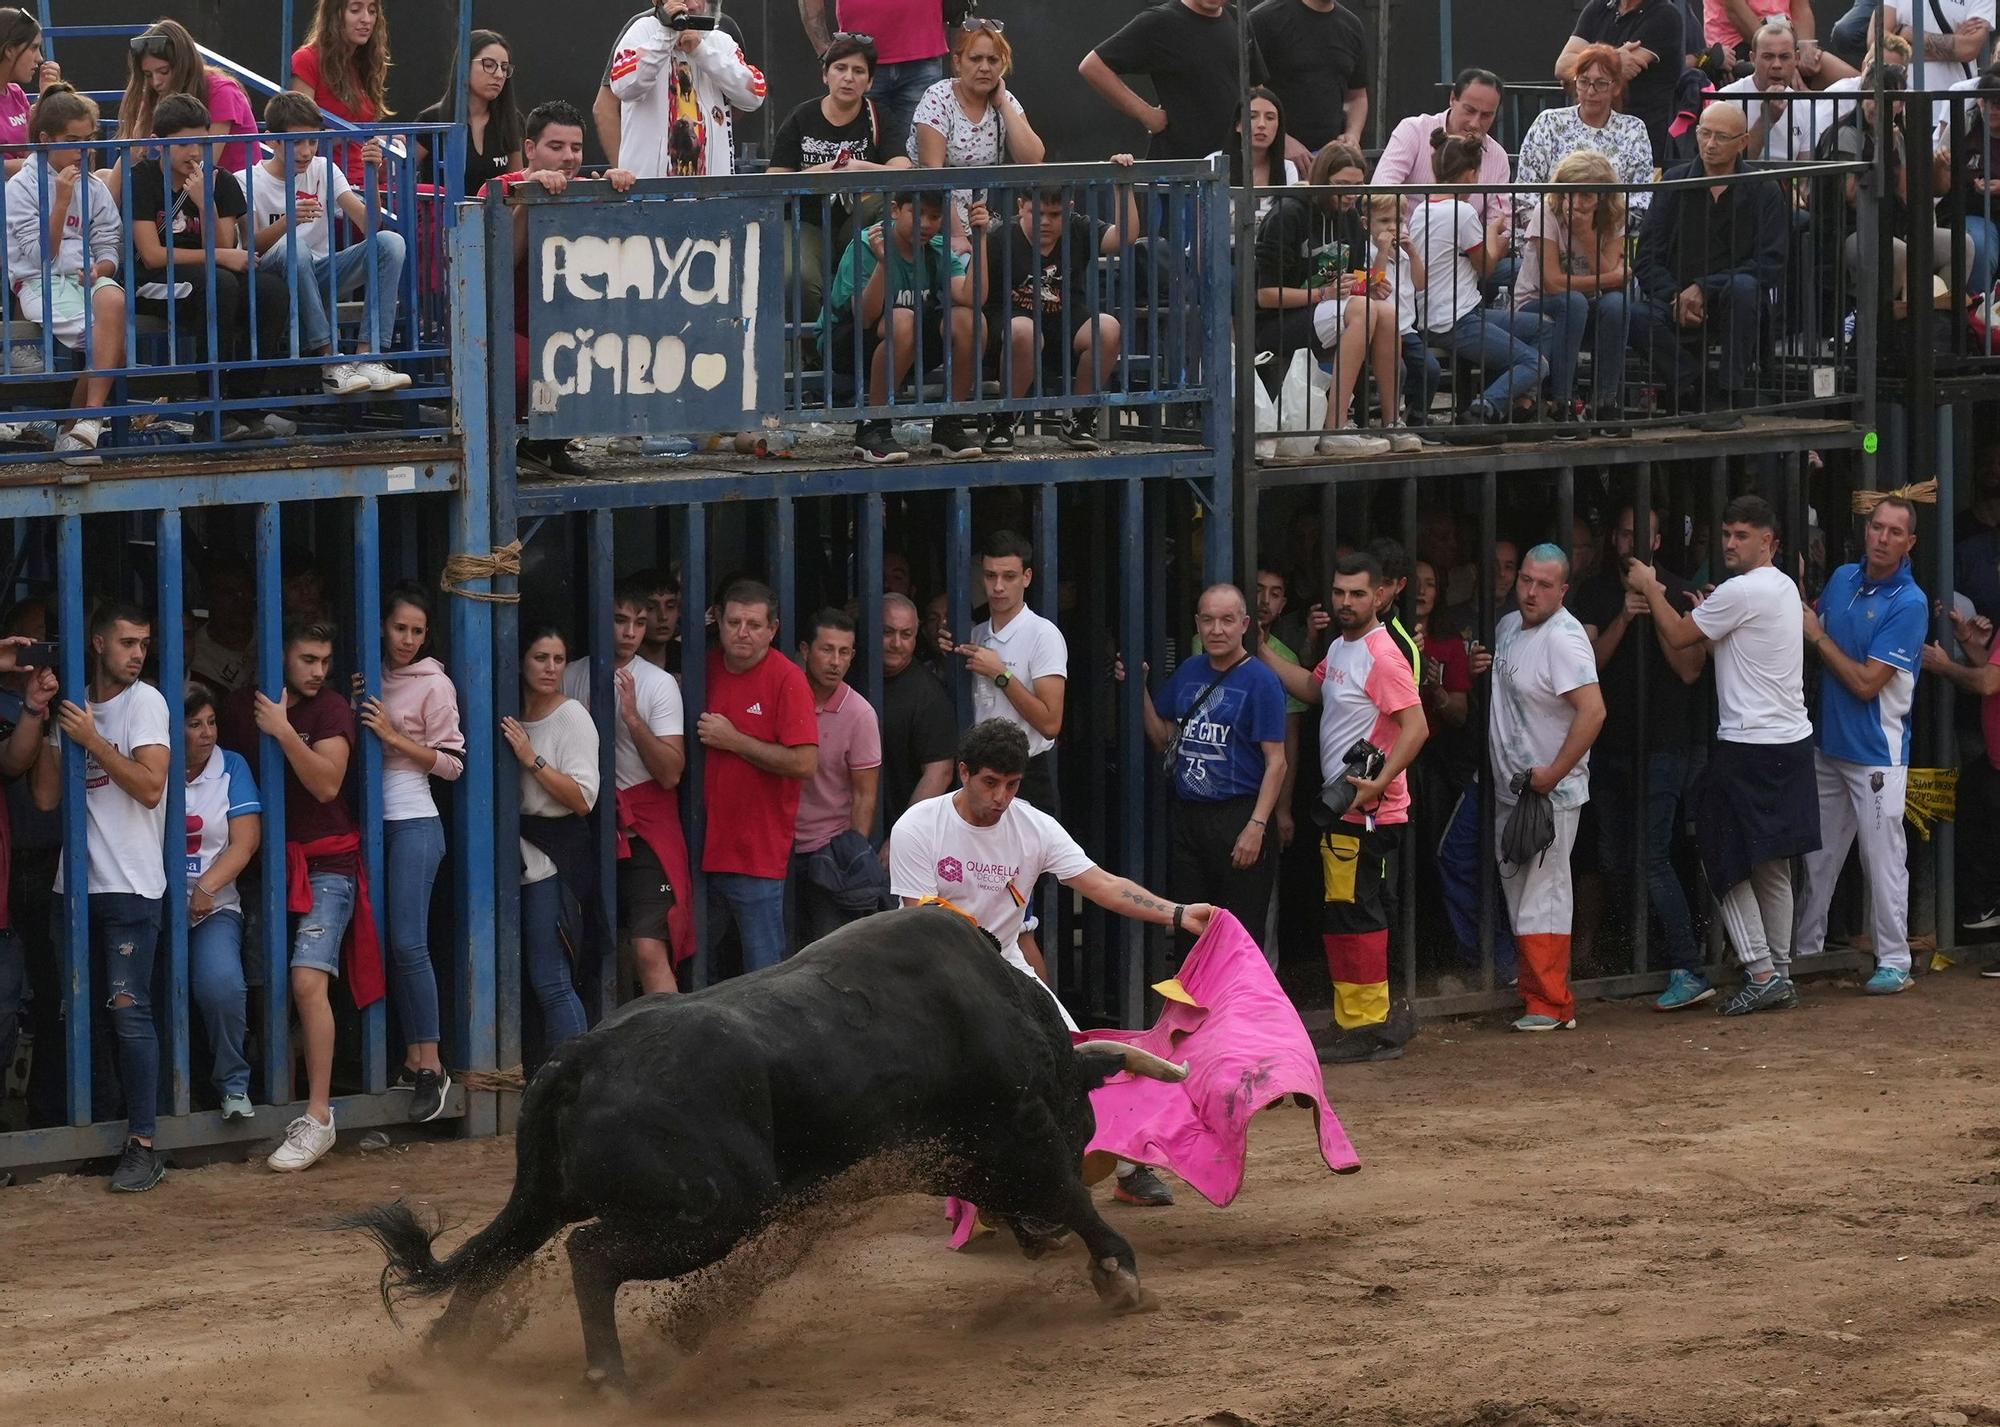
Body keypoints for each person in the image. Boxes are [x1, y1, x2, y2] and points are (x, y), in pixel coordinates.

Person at [889, 717, 1216, 1207]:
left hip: (1005, 967)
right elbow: (921, 923)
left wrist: (1176, 912)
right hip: (933, 975)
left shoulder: (1035, 827)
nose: (1001, 797)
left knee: (1076, 1058)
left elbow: (1101, 884)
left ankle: (1127, 1169)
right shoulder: (918, 826)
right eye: (990, 783)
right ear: (963, 773)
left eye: (1012, 785)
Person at [1624, 494, 1819, 1016]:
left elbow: (1681, 635)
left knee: (1722, 860)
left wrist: (1650, 588)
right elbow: (1722, 642)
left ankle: (1759, 970)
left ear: (1769, 543)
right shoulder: (1780, 587)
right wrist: (1705, 611)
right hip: (1788, 743)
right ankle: (1777, 971)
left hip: (1749, 745)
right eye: (1727, 534)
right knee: (1772, 863)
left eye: (1741, 536)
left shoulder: (1742, 590)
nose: (1730, 543)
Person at [223, 617, 379, 1172]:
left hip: (325, 863)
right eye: (307, 660)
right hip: (263, 866)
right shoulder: (241, 707)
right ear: (278, 658)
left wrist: (285, 730)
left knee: (308, 981)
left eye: (324, 661)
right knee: (259, 988)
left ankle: (318, 1116)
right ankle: (265, 1105)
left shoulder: (332, 708)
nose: (319, 671)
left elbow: (327, 784)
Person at [1259, 553, 1429, 1063]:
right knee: (1345, 913)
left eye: (1357, 593)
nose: (1346, 602)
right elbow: (1314, 689)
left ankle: (1368, 1024)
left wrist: (1376, 783)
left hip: (1369, 812)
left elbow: (1417, 726)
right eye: (1339, 592)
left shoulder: (1382, 654)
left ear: (1379, 595)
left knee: (1359, 914)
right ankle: (1352, 1017)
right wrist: (1263, 648)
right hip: (1347, 809)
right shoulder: (1340, 647)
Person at [29, 604, 171, 1191]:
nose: (138, 653)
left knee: (127, 1013)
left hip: (132, 884)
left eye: (144, 643)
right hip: (76, 886)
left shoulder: (147, 703)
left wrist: (93, 740)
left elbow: (150, 785)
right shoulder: (74, 706)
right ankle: (94, 1137)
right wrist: (44, 722)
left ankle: (143, 1143)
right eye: (127, 642)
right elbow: (43, 799)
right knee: (79, 1014)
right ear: (97, 643)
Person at [1574, 506, 1710, 1011]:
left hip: (1665, 745)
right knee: (1614, 860)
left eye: (1641, 534)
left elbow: (1690, 669)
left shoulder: (1674, 590)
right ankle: (1641, 953)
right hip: (1609, 746)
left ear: (1657, 539)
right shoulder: (1593, 591)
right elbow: (1588, 663)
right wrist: (1622, 617)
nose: (1631, 541)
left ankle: (1686, 963)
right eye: (1624, 531)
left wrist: (1655, 605)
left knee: (1655, 857)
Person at [1793, 497, 1927, 993]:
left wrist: (1818, 638)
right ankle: (1806, 955)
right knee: (1817, 858)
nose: (1883, 538)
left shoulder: (1909, 603)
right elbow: (1813, 623)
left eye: (1895, 532)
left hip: (1876, 753)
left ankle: (1895, 961)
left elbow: (1868, 683)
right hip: (1829, 745)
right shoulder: (1844, 577)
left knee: (1883, 860)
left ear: (1910, 542)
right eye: (1877, 527)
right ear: (1866, 529)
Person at [1125, 585, 1289, 958]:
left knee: (1240, 935)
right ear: (1197, 623)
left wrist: (1257, 826)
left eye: (1227, 620)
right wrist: (1139, 690)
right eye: (1208, 620)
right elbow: (1164, 738)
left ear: (1245, 624)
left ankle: (1238, 1016)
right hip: (1190, 816)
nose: (1217, 629)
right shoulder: (1189, 671)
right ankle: (1193, 1016)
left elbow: (1277, 761)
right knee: (1190, 931)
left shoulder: (1262, 681)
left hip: (1240, 816)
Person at [1482, 546, 1606, 1032]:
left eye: (1544, 584)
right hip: (1514, 788)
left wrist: (1553, 773)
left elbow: (1593, 711)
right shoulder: (1509, 625)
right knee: (1522, 890)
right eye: (1526, 580)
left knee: (1545, 893)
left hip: (1548, 793)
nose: (1531, 591)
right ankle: (1537, 993)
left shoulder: (1565, 640)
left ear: (1563, 590)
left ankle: (1553, 1003)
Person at [357, 585, 464, 1119]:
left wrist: (395, 737)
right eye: (400, 627)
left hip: (415, 821)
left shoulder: (435, 685)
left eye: (417, 630)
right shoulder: (369, 675)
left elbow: (453, 764)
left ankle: (433, 1066)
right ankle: (410, 1057)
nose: (407, 639)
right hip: (373, 825)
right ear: (383, 626)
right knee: (389, 947)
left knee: (408, 944)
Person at [490, 100, 639, 478]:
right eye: (555, 147)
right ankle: (514, 447)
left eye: (575, 148)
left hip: (570, 326)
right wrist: (528, 200)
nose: (568, 157)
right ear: (529, 149)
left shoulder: (585, 189)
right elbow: (501, 264)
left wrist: (614, 194)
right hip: (505, 326)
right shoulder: (503, 187)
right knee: (536, 369)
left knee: (615, 355)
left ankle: (547, 447)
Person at [128, 95, 294, 426]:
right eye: (183, 144)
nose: (194, 153)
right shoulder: (142, 179)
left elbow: (223, 246)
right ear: (158, 144)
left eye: (201, 143)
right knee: (221, 283)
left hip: (208, 277)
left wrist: (206, 204)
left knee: (272, 291)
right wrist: (220, 256)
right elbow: (153, 255)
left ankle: (243, 404)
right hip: (152, 281)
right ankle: (210, 407)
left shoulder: (218, 180)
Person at [563, 577, 692, 995]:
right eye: (620, 620)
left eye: (639, 622)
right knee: (595, 949)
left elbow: (672, 773)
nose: (631, 631)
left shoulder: (658, 683)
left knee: (648, 949)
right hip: (586, 827)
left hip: (645, 833)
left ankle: (673, 1051)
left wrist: (633, 718)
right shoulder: (568, 675)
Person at [1629, 102, 1786, 429]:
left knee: (1744, 289)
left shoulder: (1764, 189)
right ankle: (1695, 387)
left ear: (1742, 142)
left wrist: (1704, 287)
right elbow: (1646, 258)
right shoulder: (1673, 182)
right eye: (1704, 133)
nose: (1710, 144)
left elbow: (1770, 264)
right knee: (1630, 314)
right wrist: (1676, 296)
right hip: (1675, 299)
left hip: (1733, 301)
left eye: (1721, 137)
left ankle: (1728, 392)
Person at [248, 91, 413, 396]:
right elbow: (246, 246)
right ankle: (330, 361)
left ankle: (368, 357)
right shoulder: (248, 178)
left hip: (320, 272)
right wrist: (288, 221)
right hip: (273, 280)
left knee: (390, 242)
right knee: (293, 248)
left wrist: (372, 176)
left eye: (312, 141)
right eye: (296, 142)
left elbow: (369, 225)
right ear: (271, 140)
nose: (306, 151)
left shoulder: (325, 168)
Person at [699, 580, 819, 974]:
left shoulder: (788, 679)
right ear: (718, 621)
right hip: (699, 849)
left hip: (756, 855)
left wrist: (734, 740)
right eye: (734, 622)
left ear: (773, 629)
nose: (742, 633)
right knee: (696, 968)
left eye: (753, 624)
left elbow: (804, 763)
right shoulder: (705, 666)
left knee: (764, 974)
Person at [3, 85, 125, 466]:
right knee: (113, 348)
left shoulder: (95, 187)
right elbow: (40, 256)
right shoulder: (21, 187)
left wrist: (101, 269)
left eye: (88, 141)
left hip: (84, 281)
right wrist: (60, 201)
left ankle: (83, 424)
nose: (83, 151)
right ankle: (79, 430)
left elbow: (109, 244)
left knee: (114, 299)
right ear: (45, 140)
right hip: (41, 283)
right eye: (72, 141)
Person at [981, 171, 1140, 454]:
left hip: (1066, 323)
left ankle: (1078, 418)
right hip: (1014, 328)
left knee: (1108, 327)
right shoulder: (1000, 237)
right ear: (1020, 206)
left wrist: (1122, 186)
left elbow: (1124, 237)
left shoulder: (1078, 228)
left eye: (1054, 214)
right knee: (1024, 332)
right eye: (1036, 213)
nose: (1045, 222)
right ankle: (1004, 419)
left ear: (1068, 209)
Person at [826, 189, 988, 464]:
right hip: (852, 344)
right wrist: (884, 263)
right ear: (895, 210)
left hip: (911, 345)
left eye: (935, 216)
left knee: (971, 320)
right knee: (902, 319)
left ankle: (949, 423)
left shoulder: (937, 249)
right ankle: (873, 426)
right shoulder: (867, 243)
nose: (925, 224)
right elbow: (864, 317)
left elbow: (973, 298)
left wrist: (981, 238)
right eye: (917, 213)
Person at [767, 34, 911, 320]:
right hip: (805, 222)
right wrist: (826, 171)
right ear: (825, 75)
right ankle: (816, 350)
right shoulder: (801, 116)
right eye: (840, 68)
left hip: (858, 221)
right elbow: (774, 181)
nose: (848, 78)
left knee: (889, 212)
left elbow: (903, 171)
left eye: (858, 71)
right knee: (797, 278)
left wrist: (857, 168)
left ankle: (860, 335)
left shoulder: (878, 115)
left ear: (870, 82)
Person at [501, 627, 597, 1053]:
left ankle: (574, 1084)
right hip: (514, 856)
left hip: (551, 862)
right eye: (541, 657)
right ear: (522, 660)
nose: (551, 668)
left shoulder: (571, 715)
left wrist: (531, 759)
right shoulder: (513, 713)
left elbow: (583, 799)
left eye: (558, 659)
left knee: (552, 980)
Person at [1415, 131, 1549, 433]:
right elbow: (1487, 266)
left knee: (1543, 326)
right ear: (1471, 174)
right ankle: (1482, 409)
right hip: (1455, 319)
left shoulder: (1422, 207)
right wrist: (1496, 234)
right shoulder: (1462, 212)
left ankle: (1519, 404)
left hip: (1443, 313)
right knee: (1535, 364)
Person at [936, 530, 1067, 812]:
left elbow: (1050, 724)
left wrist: (1001, 675)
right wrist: (947, 655)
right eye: (990, 575)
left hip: (1025, 773)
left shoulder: (1043, 634)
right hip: (977, 774)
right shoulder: (976, 634)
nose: (997, 587)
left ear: (1027, 577)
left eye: (1008, 577)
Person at [180, 682, 261, 1120]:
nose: (207, 733)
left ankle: (233, 1087)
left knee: (222, 986)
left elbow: (245, 842)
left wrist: (205, 890)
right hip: (156, 903)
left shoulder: (232, 765)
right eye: (194, 724)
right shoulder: (157, 763)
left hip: (215, 906)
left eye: (211, 722)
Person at [1513, 150, 1633, 432]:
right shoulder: (1548, 212)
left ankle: (1605, 402)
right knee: (1574, 302)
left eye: (1587, 196)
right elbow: (1553, 282)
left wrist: (1586, 236)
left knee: (1617, 304)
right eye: (1572, 193)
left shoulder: (1614, 216)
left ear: (1602, 197)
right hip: (1537, 302)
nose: (1577, 202)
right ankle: (1560, 402)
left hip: (1586, 302)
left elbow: (1616, 284)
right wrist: (1611, 276)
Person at [908, 20, 1046, 251]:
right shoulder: (938, 97)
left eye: (993, 60)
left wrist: (1002, 104)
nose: (985, 67)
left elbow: (1033, 158)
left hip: (981, 223)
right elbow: (934, 174)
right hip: (934, 222)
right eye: (975, 59)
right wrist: (958, 236)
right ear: (957, 62)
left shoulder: (1006, 100)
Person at [791, 609, 885, 945]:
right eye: (826, 649)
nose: (835, 661)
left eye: (844, 652)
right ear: (805, 650)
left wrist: (847, 860)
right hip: (778, 848)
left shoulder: (859, 714)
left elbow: (865, 795)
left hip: (826, 853)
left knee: (826, 955)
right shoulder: (785, 697)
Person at [1312, 191, 1427, 455]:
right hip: (1353, 315)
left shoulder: (1406, 250)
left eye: (1397, 220)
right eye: (1385, 220)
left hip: (1402, 326)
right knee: (1400, 359)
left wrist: (1412, 251)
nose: (1392, 227)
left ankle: (1394, 422)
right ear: (1367, 223)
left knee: (1392, 320)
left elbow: (1421, 283)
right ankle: (1339, 426)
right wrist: (1384, 250)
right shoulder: (1368, 246)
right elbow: (1372, 280)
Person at [1251, 141, 1370, 398]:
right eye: (1342, 186)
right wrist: (1323, 294)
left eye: (1358, 187)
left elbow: (1356, 276)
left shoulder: (1349, 216)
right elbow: (1266, 296)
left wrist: (1369, 285)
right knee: (1363, 311)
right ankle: (1337, 423)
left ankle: (1391, 423)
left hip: (1333, 312)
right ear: (1322, 180)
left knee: (1384, 313)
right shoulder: (1289, 214)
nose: (1351, 194)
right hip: (1277, 323)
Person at [1080, 0, 1267, 161]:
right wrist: (1146, 114)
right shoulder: (1161, 22)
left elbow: (1256, 86)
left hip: (1234, 160)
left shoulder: (1238, 19)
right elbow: (1093, 66)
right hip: (1182, 166)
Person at [607, 0, 768, 178]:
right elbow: (623, 85)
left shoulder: (721, 41)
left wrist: (701, 52)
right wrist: (665, 37)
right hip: (651, 196)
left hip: (713, 195)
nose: (692, 5)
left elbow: (755, 94)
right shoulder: (642, 31)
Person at [1921, 608, 2000, 945]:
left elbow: (1986, 683)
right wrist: (1967, 640)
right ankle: (1981, 914)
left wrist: (1945, 667)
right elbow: (1992, 668)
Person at [1517, 44, 1656, 223]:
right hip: (1549, 234)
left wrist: (1597, 230)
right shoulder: (1549, 122)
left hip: (1608, 237)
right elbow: (1525, 194)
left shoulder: (1633, 129)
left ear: (1616, 88)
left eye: (1601, 83)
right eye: (1583, 82)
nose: (1591, 91)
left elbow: (1640, 200)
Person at [798, 0, 949, 158]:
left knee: (921, 160)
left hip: (922, 54)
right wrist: (823, 49)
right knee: (854, 157)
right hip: (859, 63)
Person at [112, 18, 259, 177]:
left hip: (230, 190)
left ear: (183, 64)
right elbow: (134, 153)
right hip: (182, 183)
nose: (156, 82)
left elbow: (205, 166)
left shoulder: (222, 92)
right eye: (148, 75)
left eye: (164, 72)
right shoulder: (156, 96)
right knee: (103, 176)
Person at [1558, 0, 1690, 162]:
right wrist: (1615, 57)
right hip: (1584, 138)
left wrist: (1580, 66)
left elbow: (1615, 72)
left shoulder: (1665, 14)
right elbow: (1561, 66)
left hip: (1637, 143)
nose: (1591, 86)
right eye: (1583, 81)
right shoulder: (1598, 7)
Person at [1373, 69, 1513, 221]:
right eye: (1469, 110)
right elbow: (1381, 193)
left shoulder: (1498, 157)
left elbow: (1500, 224)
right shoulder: (1413, 130)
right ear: (1453, 99)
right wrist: (1407, 241)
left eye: (1486, 115)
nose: (1475, 123)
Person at [878, 592, 955, 854]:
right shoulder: (849, 672)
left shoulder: (928, 694)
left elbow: (939, 773)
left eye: (906, 634)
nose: (896, 643)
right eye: (887, 632)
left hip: (897, 837)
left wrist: (900, 838)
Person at [290, 0, 394, 185]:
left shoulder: (363, 63)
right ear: (334, 15)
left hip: (367, 178)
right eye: (355, 10)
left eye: (372, 11)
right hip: (331, 182)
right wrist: (353, 134)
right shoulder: (307, 59)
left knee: (441, 196)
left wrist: (383, 143)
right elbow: (300, 134)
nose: (366, 19)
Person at [1248, 0, 1371, 152]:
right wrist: (1281, 141)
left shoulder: (1352, 25)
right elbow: (1248, 89)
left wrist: (1352, 134)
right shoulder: (1263, 18)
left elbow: (1357, 96)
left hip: (1329, 157)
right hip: (1272, 156)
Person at [416, 29, 524, 200]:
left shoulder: (511, 119)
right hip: (442, 222)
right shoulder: (432, 119)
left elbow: (516, 184)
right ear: (464, 66)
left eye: (504, 68)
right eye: (489, 65)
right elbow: (400, 176)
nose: (498, 75)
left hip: (494, 221)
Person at [1716, 19, 1833, 160]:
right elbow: (1727, 166)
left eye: (1784, 57)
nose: (1776, 65)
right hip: (1744, 182)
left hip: (1786, 181)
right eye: (1768, 57)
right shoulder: (1727, 99)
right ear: (1753, 59)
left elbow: (1805, 174)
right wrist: (1766, 119)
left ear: (1796, 58)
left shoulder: (1805, 106)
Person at [0, 7, 58, 176]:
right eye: (33, 48)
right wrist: (42, 164)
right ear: (10, 50)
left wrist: (46, 97)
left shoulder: (17, 94)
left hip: (25, 191)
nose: (40, 58)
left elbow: (33, 149)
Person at [1234, 87, 1301, 223]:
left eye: (1270, 118)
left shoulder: (1287, 168)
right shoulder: (1212, 163)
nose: (1262, 125)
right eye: (1252, 117)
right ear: (1238, 125)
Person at [631, 567, 683, 672]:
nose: (663, 616)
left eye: (670, 606)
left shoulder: (687, 658)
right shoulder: (621, 662)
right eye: (650, 607)